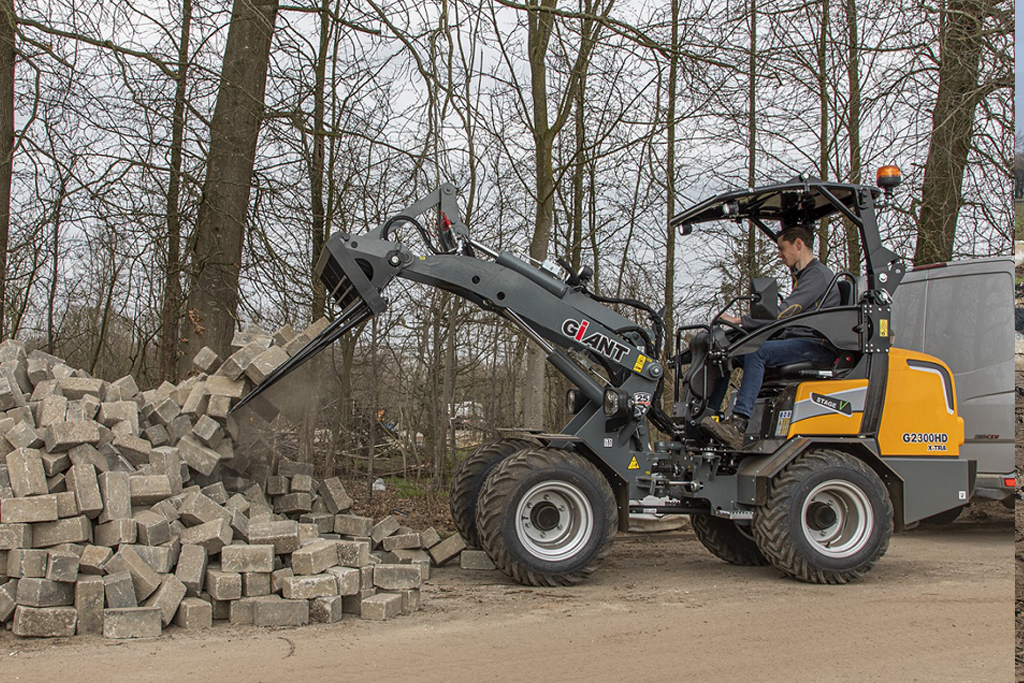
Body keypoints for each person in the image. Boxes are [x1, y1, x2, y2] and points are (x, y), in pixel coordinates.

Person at [702, 224, 840, 448]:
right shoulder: (803, 276)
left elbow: (784, 314)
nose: (779, 254)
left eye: (782, 248)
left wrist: (739, 320)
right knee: (730, 354)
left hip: (816, 345)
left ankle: (738, 424)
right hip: (796, 340)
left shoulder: (817, 276)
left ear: (798, 244)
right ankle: (710, 417)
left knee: (757, 352)